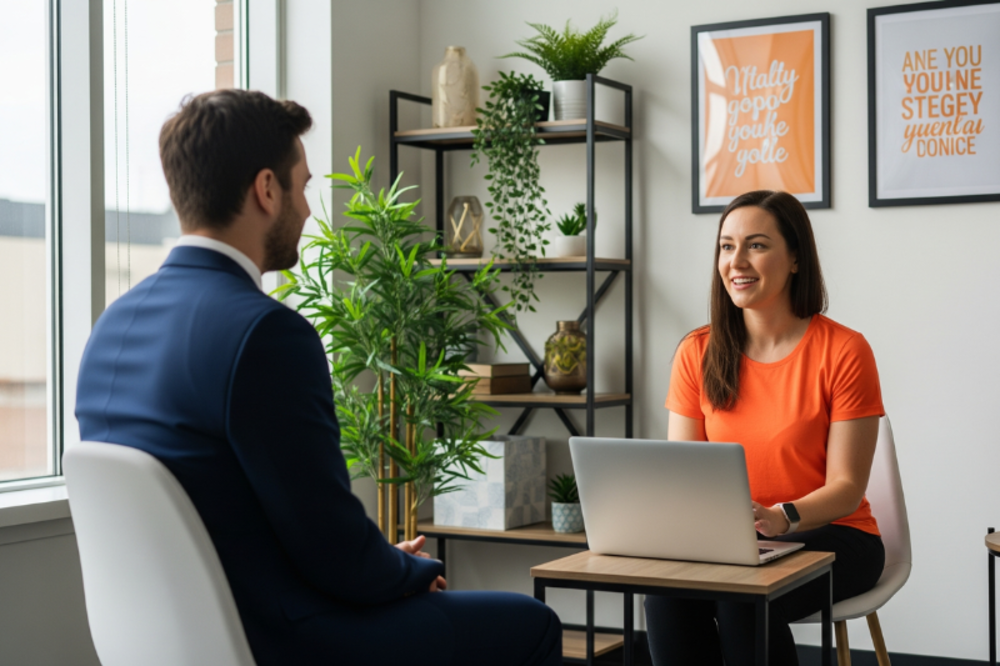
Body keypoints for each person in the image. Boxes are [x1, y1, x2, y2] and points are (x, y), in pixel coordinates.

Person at [75, 89, 562, 666]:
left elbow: (248, 520)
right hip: (286, 640)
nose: (307, 209)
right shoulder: (265, 335)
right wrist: (410, 570)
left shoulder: (110, 328)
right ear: (265, 190)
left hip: (167, 644)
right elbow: (330, 549)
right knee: (532, 623)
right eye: (303, 186)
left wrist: (381, 566)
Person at [645, 190, 885, 665]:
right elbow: (686, 474)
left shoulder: (844, 351)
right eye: (726, 246)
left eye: (756, 245)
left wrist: (782, 517)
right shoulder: (697, 351)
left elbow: (847, 487)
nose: (737, 261)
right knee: (666, 595)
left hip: (835, 535)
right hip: (734, 541)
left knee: (742, 598)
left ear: (795, 258)